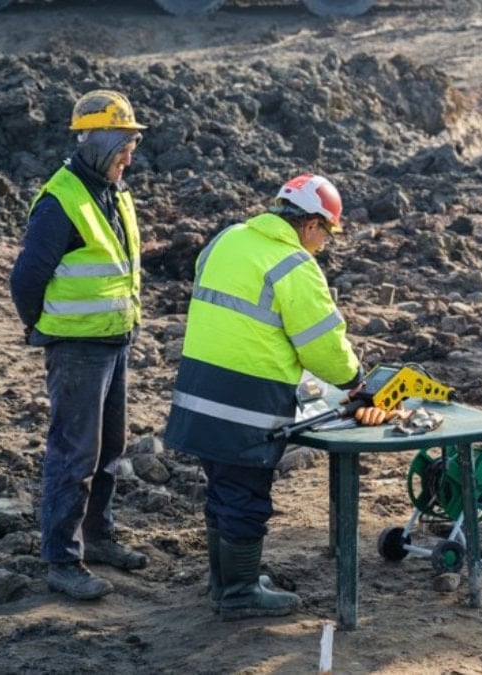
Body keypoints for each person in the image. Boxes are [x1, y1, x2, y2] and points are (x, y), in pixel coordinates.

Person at [163, 173, 388, 621]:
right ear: (311, 225)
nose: (324, 244)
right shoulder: (293, 264)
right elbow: (323, 346)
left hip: (197, 393)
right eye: (327, 233)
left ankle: (224, 582)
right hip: (245, 403)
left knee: (223, 490)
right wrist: (355, 382)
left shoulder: (228, 239)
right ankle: (241, 592)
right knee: (246, 496)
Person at [10, 90, 150, 600]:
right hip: (77, 350)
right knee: (74, 454)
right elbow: (26, 280)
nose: (129, 157)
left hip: (114, 343)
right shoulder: (60, 201)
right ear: (96, 143)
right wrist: (42, 327)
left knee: (109, 448)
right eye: (123, 146)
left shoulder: (113, 192)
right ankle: (62, 561)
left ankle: (99, 536)